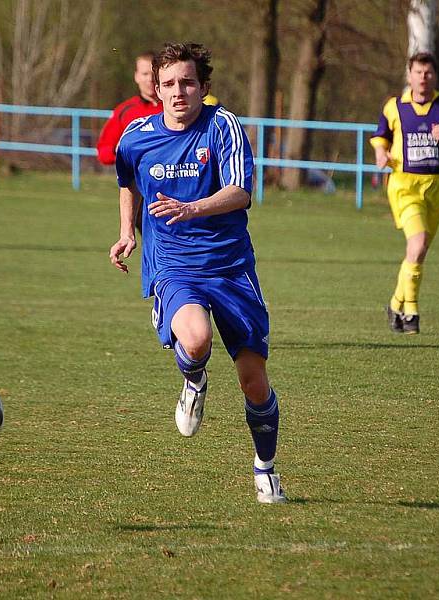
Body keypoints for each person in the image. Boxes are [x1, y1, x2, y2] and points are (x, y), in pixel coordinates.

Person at [108, 42, 287, 504]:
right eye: (168, 84)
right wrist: (128, 231)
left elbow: (240, 192)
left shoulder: (222, 126)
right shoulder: (136, 136)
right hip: (173, 264)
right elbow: (127, 181)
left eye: (188, 82)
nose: (178, 92)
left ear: (203, 86)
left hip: (230, 266)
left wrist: (193, 208)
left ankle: (265, 468)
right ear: (156, 89)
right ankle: (193, 378)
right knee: (195, 339)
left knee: (254, 381)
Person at [370, 52, 439, 334]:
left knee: (418, 252)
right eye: (418, 72)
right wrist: (381, 153)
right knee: (416, 246)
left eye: (428, 73)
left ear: (435, 76)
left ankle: (395, 303)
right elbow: (380, 136)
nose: (423, 77)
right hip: (405, 185)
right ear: (409, 75)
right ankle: (412, 312)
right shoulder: (395, 107)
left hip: (437, 186)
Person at [96, 52, 163, 166]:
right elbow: (104, 152)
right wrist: (121, 151)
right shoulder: (125, 110)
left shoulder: (175, 106)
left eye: (154, 74)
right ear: (136, 76)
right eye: (145, 74)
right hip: (137, 182)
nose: (150, 79)